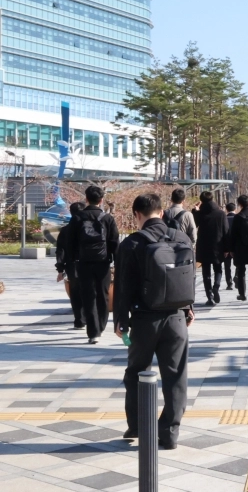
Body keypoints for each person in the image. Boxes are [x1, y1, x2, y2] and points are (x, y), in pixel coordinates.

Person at [112, 193, 194, 449]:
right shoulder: (181, 237)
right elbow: (187, 275)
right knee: (176, 375)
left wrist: (120, 320)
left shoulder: (131, 244)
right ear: (160, 212)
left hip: (144, 319)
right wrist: (189, 308)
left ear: (137, 214)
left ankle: (138, 425)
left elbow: (123, 286)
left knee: (136, 372)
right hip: (176, 317)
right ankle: (169, 432)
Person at [63, 185, 119, 343]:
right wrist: (117, 262)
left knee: (88, 296)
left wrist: (73, 260)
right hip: (103, 262)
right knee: (103, 295)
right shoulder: (107, 218)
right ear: (101, 200)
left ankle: (93, 331)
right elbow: (114, 242)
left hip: (83, 263)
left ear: (86, 199)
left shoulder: (78, 218)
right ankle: (100, 326)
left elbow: (70, 243)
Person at [55, 201, 87, 330]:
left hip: (72, 265)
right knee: (88, 291)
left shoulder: (65, 230)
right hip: (88, 264)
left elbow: (60, 250)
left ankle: (79, 319)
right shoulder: (88, 229)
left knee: (75, 292)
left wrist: (60, 268)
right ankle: (88, 318)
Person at [193, 191, 229, 305]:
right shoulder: (221, 213)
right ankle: (216, 287)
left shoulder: (200, 213)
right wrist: (227, 248)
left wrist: (195, 210)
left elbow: (195, 224)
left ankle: (210, 296)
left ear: (201, 200)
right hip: (218, 245)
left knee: (206, 271)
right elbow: (226, 231)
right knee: (218, 269)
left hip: (204, 246)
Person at [223, 202, 236, 289]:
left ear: (226, 209)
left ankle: (229, 283)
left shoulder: (224, 219)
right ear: (234, 209)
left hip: (226, 246)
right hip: (236, 247)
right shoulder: (238, 218)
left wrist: (226, 249)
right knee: (239, 264)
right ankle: (237, 277)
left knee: (227, 266)